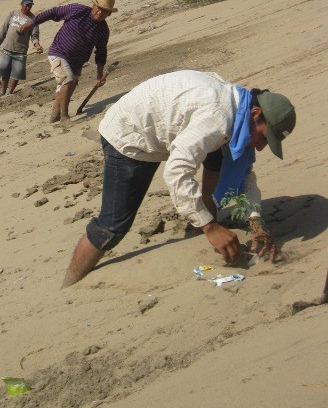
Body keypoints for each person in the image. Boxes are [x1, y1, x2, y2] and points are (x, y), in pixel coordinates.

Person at [61, 70, 296, 288]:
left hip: (164, 122)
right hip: (130, 135)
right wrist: (211, 227)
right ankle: (70, 285)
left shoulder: (240, 107)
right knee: (111, 227)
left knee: (219, 159)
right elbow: (176, 171)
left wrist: (256, 224)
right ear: (256, 114)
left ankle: (200, 239)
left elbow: (245, 176)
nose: (262, 148)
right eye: (264, 139)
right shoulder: (219, 118)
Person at [19, 0, 116, 124]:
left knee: (69, 86)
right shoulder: (77, 10)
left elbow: (101, 52)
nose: (100, 12)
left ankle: (55, 115)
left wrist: (99, 74)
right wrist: (32, 23)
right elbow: (53, 12)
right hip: (58, 52)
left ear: (109, 14)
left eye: (104, 11)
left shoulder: (103, 30)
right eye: (98, 8)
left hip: (77, 62)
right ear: (93, 6)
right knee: (67, 80)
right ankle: (64, 116)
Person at [0, 0, 43, 95]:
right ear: (21, 4)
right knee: (4, 72)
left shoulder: (33, 19)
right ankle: (3, 92)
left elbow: (34, 36)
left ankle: (10, 92)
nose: (28, 7)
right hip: (7, 47)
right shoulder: (13, 13)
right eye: (26, 5)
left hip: (20, 51)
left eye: (30, 6)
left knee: (16, 73)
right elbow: (4, 30)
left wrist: (37, 46)